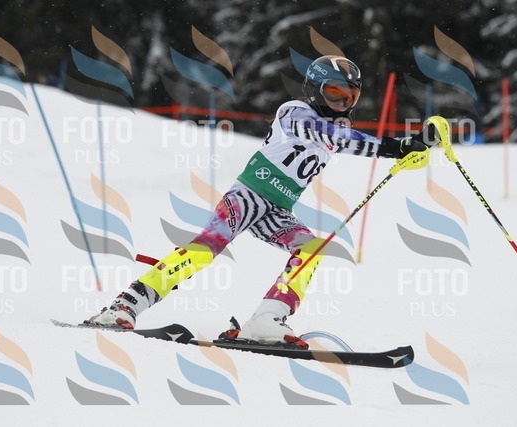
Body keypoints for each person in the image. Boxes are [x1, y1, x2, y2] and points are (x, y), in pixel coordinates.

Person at [88, 55, 435, 347]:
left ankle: (267, 319)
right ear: (314, 88)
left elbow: (352, 142)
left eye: (349, 97)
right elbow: (333, 134)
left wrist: (416, 145)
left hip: (278, 210)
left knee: (311, 248)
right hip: (246, 197)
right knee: (205, 249)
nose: (342, 104)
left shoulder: (335, 132)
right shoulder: (294, 112)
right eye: (334, 94)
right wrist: (396, 146)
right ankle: (124, 306)